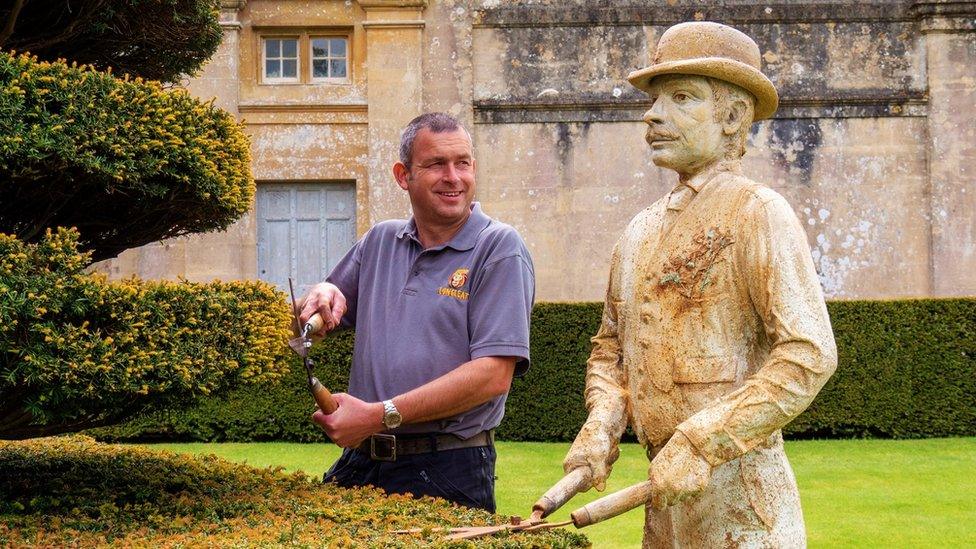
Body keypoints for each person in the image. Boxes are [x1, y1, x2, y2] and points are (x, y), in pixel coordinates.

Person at [562, 22, 837, 547]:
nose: (654, 114)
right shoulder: (638, 231)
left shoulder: (758, 213)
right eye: (655, 99)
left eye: (681, 98)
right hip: (664, 509)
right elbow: (611, 350)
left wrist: (703, 440)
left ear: (734, 118)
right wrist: (603, 420)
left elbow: (808, 353)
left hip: (743, 506)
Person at [299, 112, 535, 513]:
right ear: (402, 175)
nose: (453, 177)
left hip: (448, 466)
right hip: (363, 461)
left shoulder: (498, 248)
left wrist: (378, 416)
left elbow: (494, 374)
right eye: (435, 164)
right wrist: (318, 294)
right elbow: (310, 324)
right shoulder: (379, 242)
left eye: (462, 162)